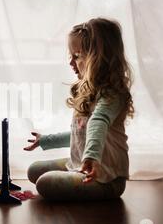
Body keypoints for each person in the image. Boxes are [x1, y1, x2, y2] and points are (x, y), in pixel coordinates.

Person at [24, 18, 134, 201]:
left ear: (99, 59)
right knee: (34, 170)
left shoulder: (113, 95)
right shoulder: (87, 91)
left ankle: (88, 177)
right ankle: (76, 170)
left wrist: (91, 157)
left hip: (106, 178)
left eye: (77, 56)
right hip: (82, 164)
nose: (71, 63)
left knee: (44, 183)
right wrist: (46, 140)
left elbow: (98, 122)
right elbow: (80, 135)